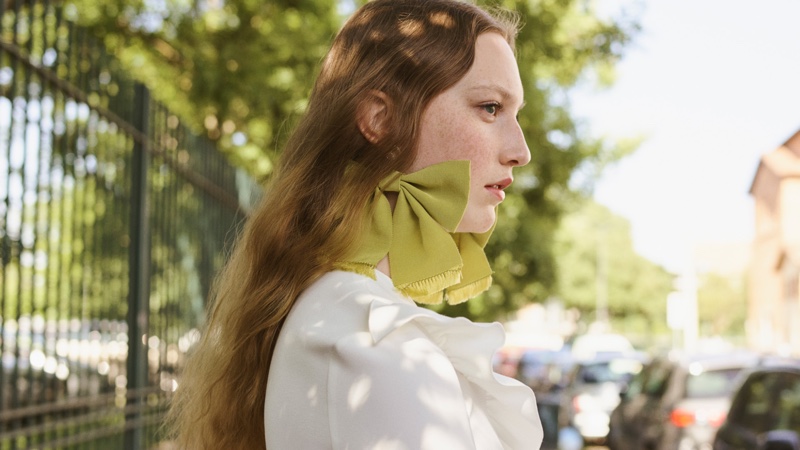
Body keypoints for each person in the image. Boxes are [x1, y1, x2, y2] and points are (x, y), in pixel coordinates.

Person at [166, 0, 543, 448]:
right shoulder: (377, 343)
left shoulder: (335, 312)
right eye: (490, 107)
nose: (520, 150)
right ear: (380, 119)